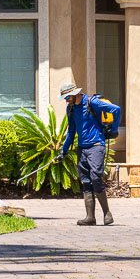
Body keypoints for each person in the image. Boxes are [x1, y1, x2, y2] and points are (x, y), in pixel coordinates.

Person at [55, 82, 120, 226]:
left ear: (75, 93)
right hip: (82, 149)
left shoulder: (92, 102)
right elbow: (71, 132)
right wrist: (63, 151)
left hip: (96, 145)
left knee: (96, 177)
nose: (66, 100)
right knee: (85, 181)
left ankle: (107, 213)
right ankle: (90, 217)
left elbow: (116, 109)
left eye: (67, 97)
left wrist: (114, 130)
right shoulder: (70, 109)